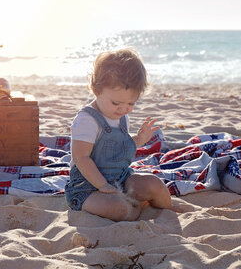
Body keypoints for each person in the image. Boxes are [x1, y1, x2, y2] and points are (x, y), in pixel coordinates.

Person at [65, 48, 181, 221]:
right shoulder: (87, 120)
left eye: (130, 103)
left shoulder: (121, 116)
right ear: (97, 90)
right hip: (88, 187)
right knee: (119, 208)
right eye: (116, 103)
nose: (124, 109)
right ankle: (135, 208)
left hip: (121, 178)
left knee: (154, 184)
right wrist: (102, 185)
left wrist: (139, 140)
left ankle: (167, 209)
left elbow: (119, 147)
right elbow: (81, 158)